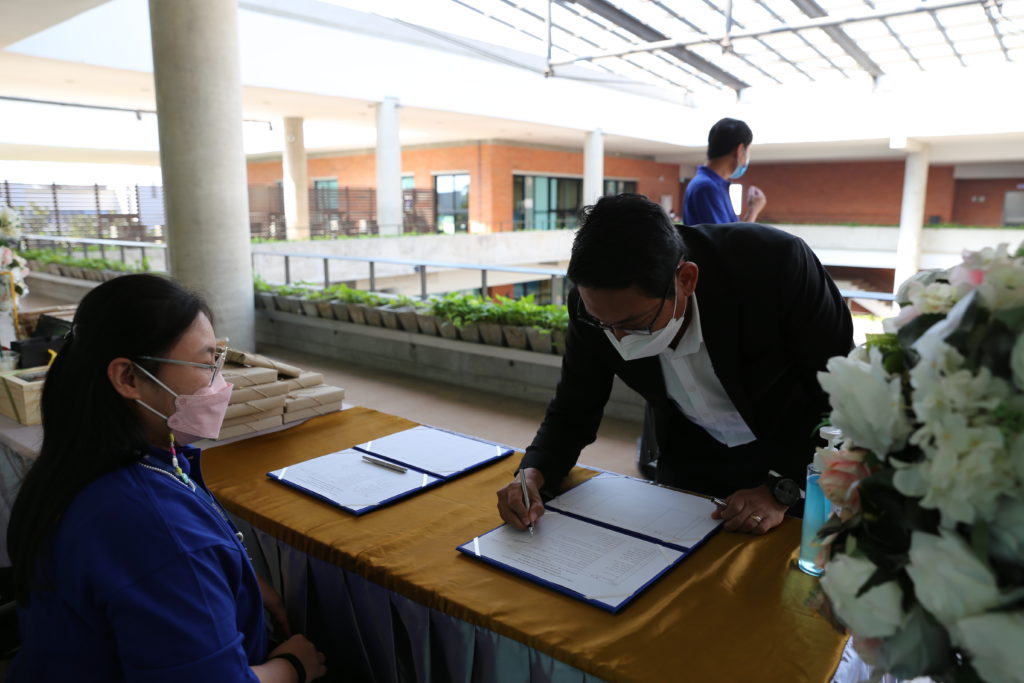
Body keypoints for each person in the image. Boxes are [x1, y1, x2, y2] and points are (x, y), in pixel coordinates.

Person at [6, 274, 326, 682]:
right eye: (206, 365)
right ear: (128, 378)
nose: (221, 384)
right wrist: (294, 666)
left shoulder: (84, 463)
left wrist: (240, 582)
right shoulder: (155, 526)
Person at [497, 194, 852, 536]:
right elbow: (575, 404)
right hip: (688, 451)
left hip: (790, 448)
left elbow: (841, 391)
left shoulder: (775, 265)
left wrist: (782, 488)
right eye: (604, 324)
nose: (617, 338)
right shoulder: (596, 305)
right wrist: (534, 471)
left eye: (635, 323)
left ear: (685, 280)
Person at [683, 117, 767, 225]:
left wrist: (752, 210)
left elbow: (732, 232)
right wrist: (753, 212)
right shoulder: (706, 188)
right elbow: (724, 236)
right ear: (740, 150)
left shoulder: (714, 186)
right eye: (748, 150)